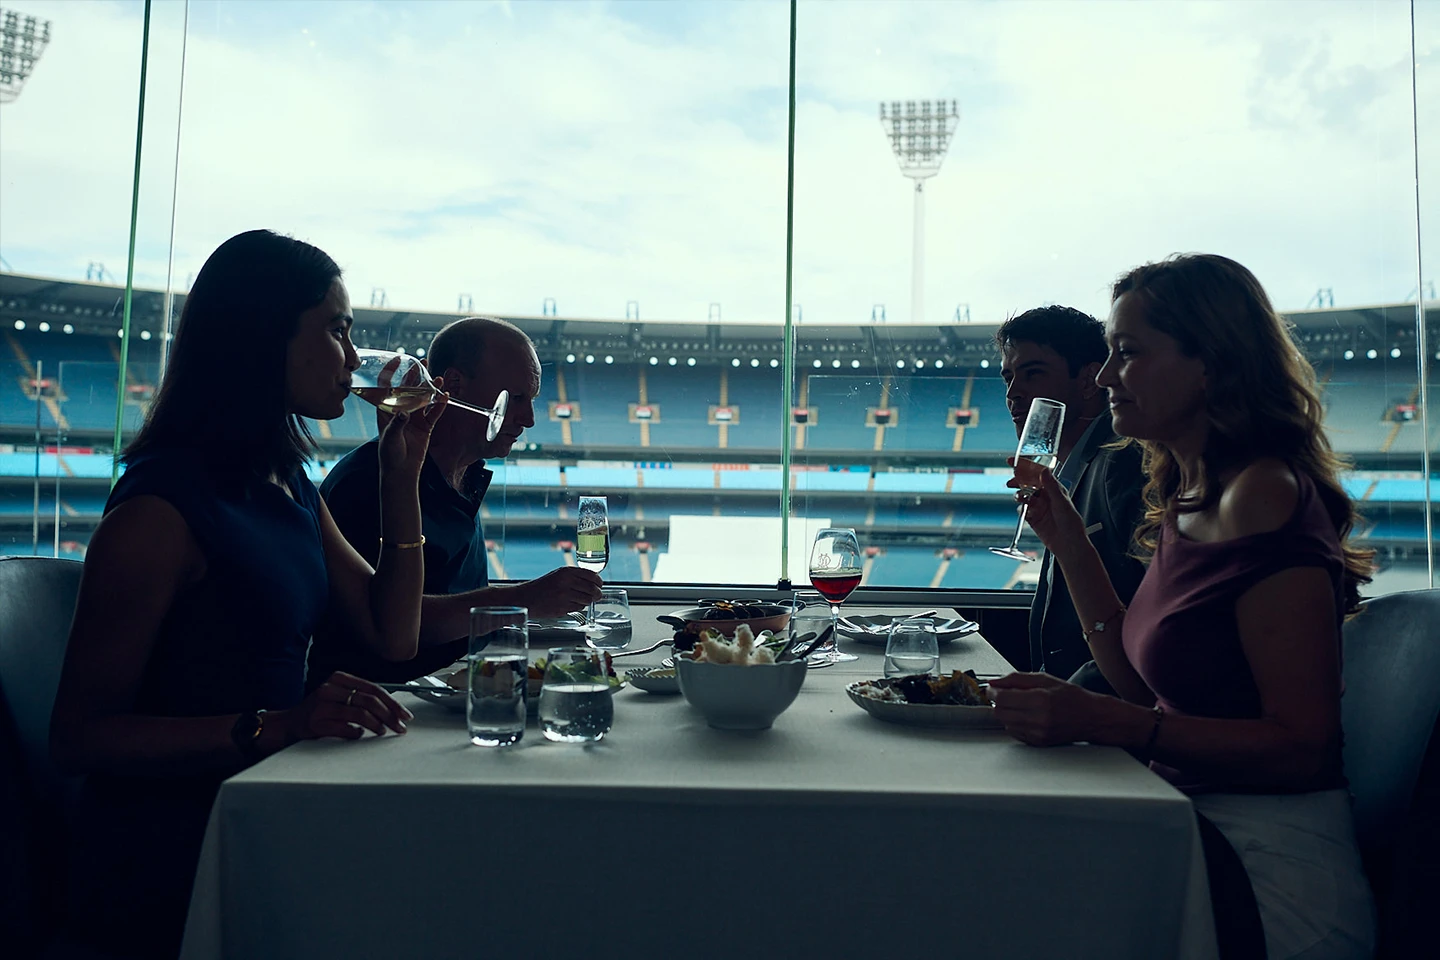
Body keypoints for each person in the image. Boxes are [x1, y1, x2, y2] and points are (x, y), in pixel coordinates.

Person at [48, 230, 447, 959]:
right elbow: (79, 738)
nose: (355, 358)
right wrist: (279, 724)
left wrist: (401, 473)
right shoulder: (158, 512)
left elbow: (393, 636)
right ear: (264, 336)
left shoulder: (286, 483)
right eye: (336, 329)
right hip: (177, 856)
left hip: (268, 808)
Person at [989, 254, 1376, 960]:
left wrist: (1105, 719)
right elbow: (1143, 687)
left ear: (1211, 363)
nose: (1104, 377)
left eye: (1127, 354)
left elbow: (1303, 748)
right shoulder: (1189, 494)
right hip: (1183, 824)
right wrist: (1069, 539)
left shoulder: (1264, 496)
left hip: (1267, 878)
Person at [309, 317, 603, 687]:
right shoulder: (368, 482)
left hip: (458, 687)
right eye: (515, 398)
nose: (527, 419)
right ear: (455, 386)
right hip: (392, 701)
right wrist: (524, 599)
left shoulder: (467, 473)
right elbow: (388, 622)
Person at [995, 306, 1146, 691]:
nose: (1014, 393)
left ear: (1088, 382)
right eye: (1009, 377)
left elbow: (1144, 620)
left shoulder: (1122, 465)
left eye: (1033, 374)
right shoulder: (1067, 472)